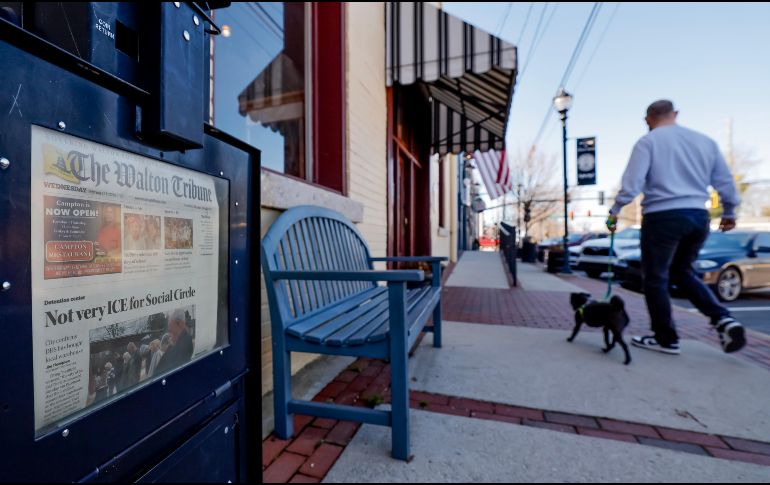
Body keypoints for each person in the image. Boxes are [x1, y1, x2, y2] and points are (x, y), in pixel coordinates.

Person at [607, 99, 745, 355]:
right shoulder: (705, 142)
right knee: (683, 272)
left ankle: (666, 338)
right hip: (698, 216)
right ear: (675, 114)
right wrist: (729, 211)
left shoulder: (648, 142)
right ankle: (722, 318)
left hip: (662, 217)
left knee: (656, 278)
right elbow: (725, 181)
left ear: (648, 119)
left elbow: (631, 185)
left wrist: (615, 210)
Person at [155, 310, 194, 374]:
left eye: (171, 330)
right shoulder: (177, 342)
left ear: (179, 324)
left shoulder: (184, 342)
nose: (169, 334)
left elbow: (170, 366)